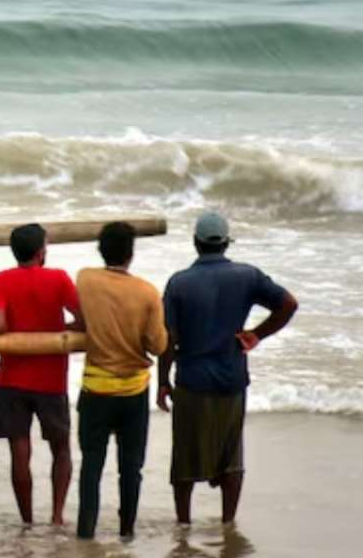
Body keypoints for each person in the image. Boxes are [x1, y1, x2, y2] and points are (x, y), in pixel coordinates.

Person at [158, 211, 298, 525]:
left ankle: (184, 523)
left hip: (192, 381)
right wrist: (256, 334)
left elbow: (168, 337)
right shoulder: (247, 276)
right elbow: (288, 304)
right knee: (231, 455)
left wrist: (162, 381)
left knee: (185, 457)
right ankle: (227, 522)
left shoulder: (179, 283)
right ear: (225, 244)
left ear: (195, 243)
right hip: (231, 378)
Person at [74, 222, 168, 540]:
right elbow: (158, 345)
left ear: (101, 250)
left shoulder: (85, 279)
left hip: (95, 388)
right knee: (130, 468)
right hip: (133, 391)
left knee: (91, 467)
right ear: (131, 254)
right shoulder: (147, 292)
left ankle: (86, 531)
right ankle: (126, 531)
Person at [0, 222, 82, 527]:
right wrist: (60, 330)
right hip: (51, 378)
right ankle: (56, 516)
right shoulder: (58, 278)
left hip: (12, 376)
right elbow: (84, 318)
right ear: (42, 251)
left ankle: (26, 520)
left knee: (19, 451)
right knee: (61, 447)